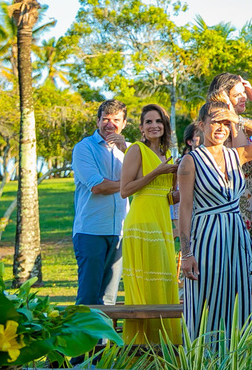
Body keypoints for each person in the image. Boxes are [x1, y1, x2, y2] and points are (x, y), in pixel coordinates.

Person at [178, 96, 252, 345]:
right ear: (201, 125)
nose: (221, 128)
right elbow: (185, 208)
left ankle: (234, 357)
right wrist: (187, 253)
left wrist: (239, 119)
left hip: (237, 237)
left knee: (237, 300)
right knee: (205, 301)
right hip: (206, 237)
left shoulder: (237, 155)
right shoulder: (190, 161)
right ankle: (202, 356)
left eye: (225, 124)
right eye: (215, 122)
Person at [118, 103, 182, 344]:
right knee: (145, 284)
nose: (154, 126)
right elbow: (125, 190)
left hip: (162, 223)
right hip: (141, 223)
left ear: (165, 126)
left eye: (158, 121)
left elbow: (167, 197)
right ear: (141, 127)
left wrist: (186, 185)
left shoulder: (168, 155)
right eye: (149, 122)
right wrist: (157, 172)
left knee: (164, 280)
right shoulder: (136, 150)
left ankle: (165, 346)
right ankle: (140, 347)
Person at [208, 72, 252, 301]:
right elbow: (242, 154)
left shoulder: (240, 122)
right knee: (243, 276)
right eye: (238, 95)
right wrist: (232, 115)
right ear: (223, 97)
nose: (244, 97)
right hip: (238, 211)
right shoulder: (223, 125)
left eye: (244, 94)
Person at [71, 100, 129, 306]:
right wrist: (131, 185)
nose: (110, 125)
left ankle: (104, 331)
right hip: (91, 230)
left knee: (109, 299)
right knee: (88, 298)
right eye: (105, 119)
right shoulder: (84, 148)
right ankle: (83, 330)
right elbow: (97, 186)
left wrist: (126, 150)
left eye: (116, 120)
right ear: (97, 121)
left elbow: (145, 178)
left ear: (124, 124)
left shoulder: (130, 150)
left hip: (121, 231)